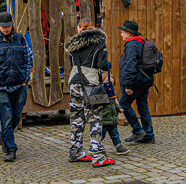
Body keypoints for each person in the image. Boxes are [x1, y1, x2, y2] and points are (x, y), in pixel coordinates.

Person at [0, 11, 32, 162]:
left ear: (12, 25)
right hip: (1, 85)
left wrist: (26, 79)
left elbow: (28, 59)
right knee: (7, 117)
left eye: (8, 26)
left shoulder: (20, 39)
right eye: (3, 27)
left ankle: (3, 136)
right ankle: (11, 148)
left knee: (16, 115)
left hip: (19, 84)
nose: (6, 29)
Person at [65, 19, 114, 167]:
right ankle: (98, 156)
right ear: (92, 27)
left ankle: (75, 152)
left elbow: (72, 62)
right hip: (91, 82)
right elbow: (102, 64)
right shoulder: (98, 42)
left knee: (76, 117)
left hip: (74, 81)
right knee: (95, 118)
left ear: (79, 28)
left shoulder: (72, 44)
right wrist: (109, 65)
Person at [118, 20, 155, 144]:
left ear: (129, 33)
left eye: (123, 32)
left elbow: (130, 65)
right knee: (142, 106)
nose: (121, 34)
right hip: (144, 80)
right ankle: (148, 134)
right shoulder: (140, 42)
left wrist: (128, 85)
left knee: (123, 103)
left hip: (136, 82)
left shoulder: (132, 45)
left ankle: (138, 130)